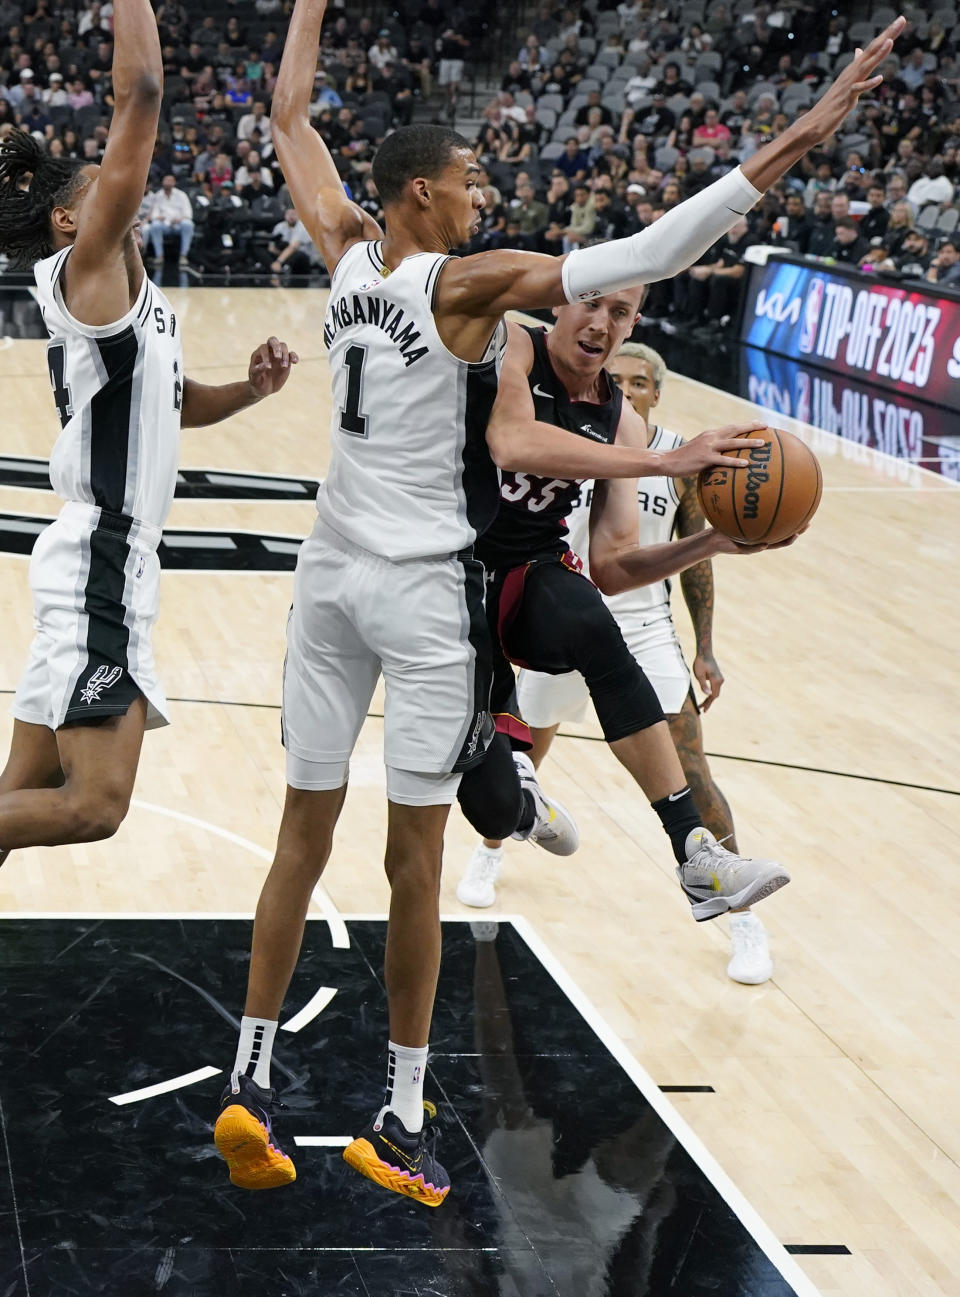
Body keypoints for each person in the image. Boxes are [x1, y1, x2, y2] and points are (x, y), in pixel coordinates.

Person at [211, 0, 903, 1208]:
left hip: (324, 579)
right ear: (423, 195)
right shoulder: (465, 280)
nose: (483, 196)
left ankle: (250, 1076)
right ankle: (400, 1113)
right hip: (424, 589)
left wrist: (311, 9)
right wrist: (802, 133)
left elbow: (284, 114)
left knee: (297, 836)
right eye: (469, 181)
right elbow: (650, 252)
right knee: (413, 859)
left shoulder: (344, 245)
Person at [0, 10, 296, 874]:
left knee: (23, 789)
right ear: (66, 222)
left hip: (101, 557)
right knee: (94, 805)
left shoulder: (134, 295)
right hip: (101, 558)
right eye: (97, 183)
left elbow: (172, 403)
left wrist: (248, 389)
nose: (120, 178)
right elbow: (144, 92)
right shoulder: (85, 270)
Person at [457, 341, 775, 985]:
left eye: (637, 381)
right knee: (515, 774)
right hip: (526, 597)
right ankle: (506, 831)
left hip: (627, 617)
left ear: (656, 393)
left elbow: (649, 563)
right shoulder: (548, 395)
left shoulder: (678, 457)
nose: (622, 384)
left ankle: (726, 891)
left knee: (689, 763)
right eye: (618, 378)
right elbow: (516, 447)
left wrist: (706, 632)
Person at [147, 172, 194, 267]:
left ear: (174, 182)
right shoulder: (158, 196)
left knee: (188, 224)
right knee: (155, 225)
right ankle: (159, 256)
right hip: (164, 225)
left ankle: (183, 256)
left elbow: (188, 213)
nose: (168, 182)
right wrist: (158, 217)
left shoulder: (182, 195)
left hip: (179, 224)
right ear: (162, 182)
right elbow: (153, 214)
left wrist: (180, 219)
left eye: (170, 180)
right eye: (166, 180)